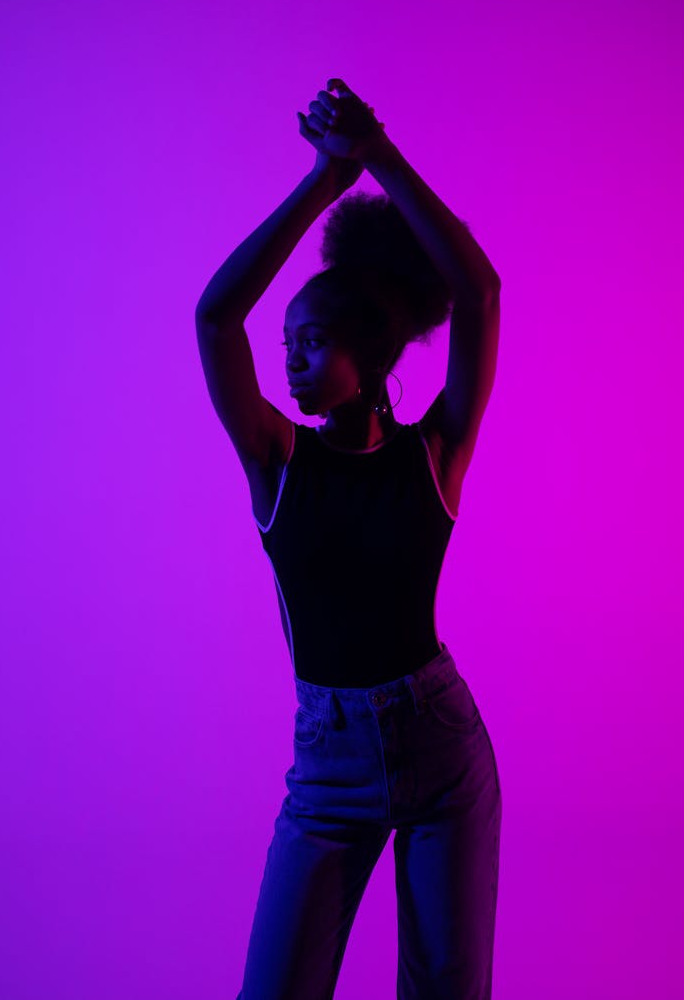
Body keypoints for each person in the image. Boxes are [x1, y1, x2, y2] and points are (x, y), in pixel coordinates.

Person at [195, 77, 503, 999]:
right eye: (286, 340)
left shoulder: (435, 454)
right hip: (327, 767)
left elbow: (478, 287)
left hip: (445, 752)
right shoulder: (276, 461)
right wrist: (325, 183)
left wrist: (379, 157)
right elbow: (216, 318)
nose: (288, 357)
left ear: (369, 357)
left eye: (312, 339)